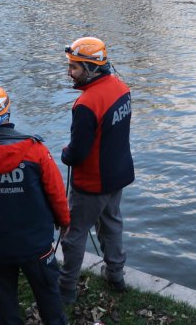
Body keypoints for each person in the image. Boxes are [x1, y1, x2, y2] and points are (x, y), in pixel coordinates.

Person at [0, 85, 70, 325]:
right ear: (8, 110)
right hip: (36, 244)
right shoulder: (34, 150)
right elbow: (56, 192)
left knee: (6, 302)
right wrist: (64, 221)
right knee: (49, 297)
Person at [57, 37, 134, 304]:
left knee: (74, 234)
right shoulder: (122, 88)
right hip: (118, 174)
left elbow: (77, 153)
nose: (69, 72)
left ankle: (66, 287)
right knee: (112, 224)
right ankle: (116, 275)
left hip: (92, 182)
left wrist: (65, 153)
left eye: (74, 67)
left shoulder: (86, 104)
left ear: (91, 69)